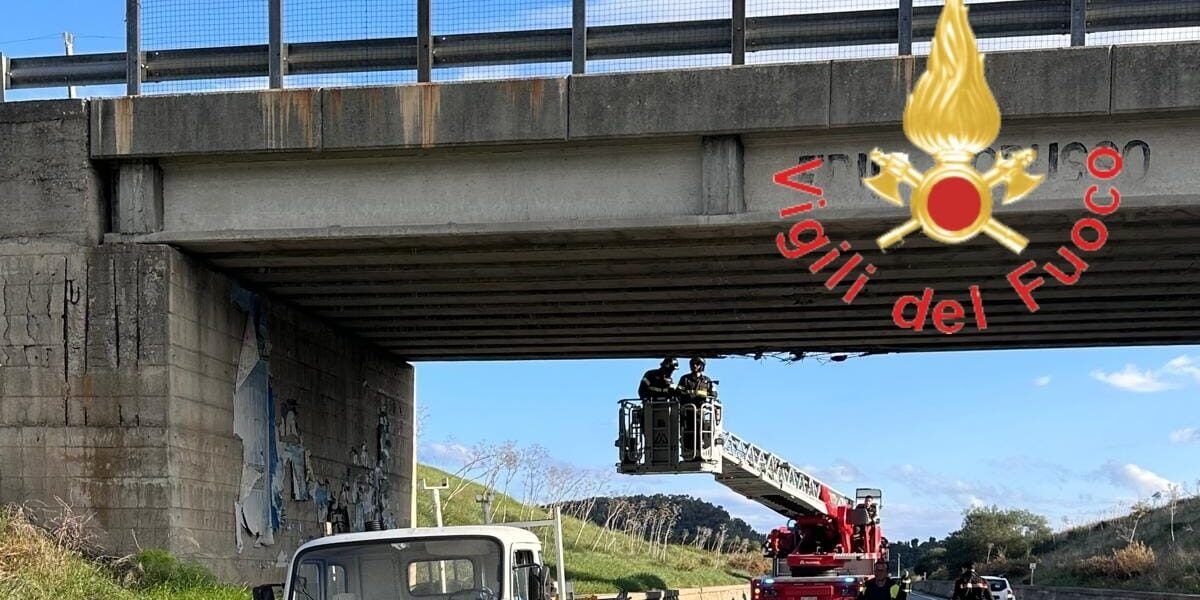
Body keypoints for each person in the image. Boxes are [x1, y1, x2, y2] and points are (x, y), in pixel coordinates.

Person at [677, 357, 714, 460]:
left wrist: (703, 395)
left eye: (697, 364)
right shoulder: (684, 379)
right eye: (693, 364)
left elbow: (714, 394)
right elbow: (678, 392)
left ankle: (699, 453)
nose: (695, 366)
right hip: (687, 411)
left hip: (700, 412)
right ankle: (688, 452)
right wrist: (692, 396)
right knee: (687, 432)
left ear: (702, 366)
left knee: (700, 431)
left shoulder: (707, 380)